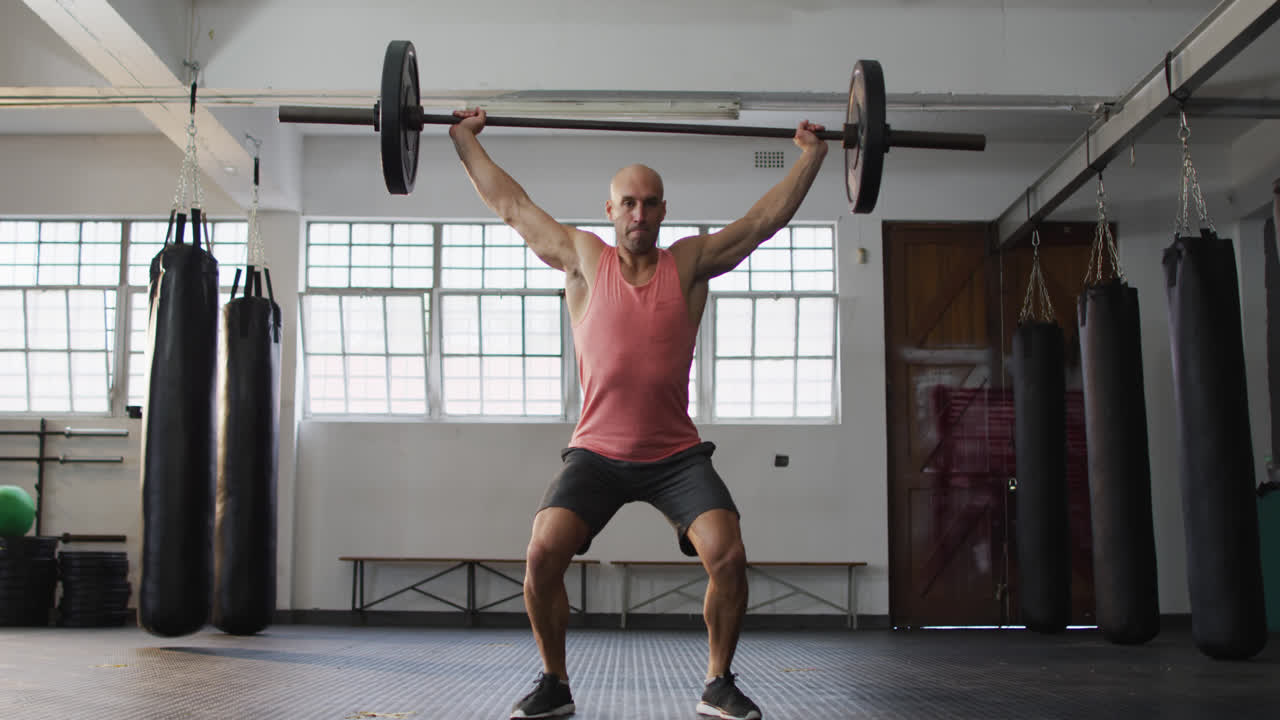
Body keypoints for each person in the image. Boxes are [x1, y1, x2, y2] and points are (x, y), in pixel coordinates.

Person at [449, 108, 828, 720]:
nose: (639, 215)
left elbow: (761, 223)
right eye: (628, 203)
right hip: (595, 453)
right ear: (609, 210)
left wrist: (810, 158)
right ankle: (554, 683)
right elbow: (512, 207)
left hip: (674, 454)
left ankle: (718, 682)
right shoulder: (582, 258)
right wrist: (464, 141)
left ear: (664, 209)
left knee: (728, 555)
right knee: (542, 555)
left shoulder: (688, 263)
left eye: (650, 204)